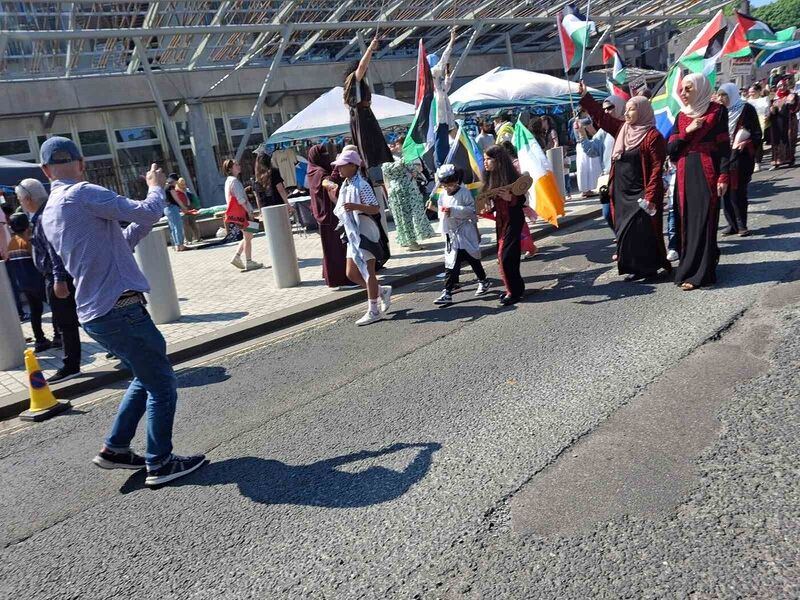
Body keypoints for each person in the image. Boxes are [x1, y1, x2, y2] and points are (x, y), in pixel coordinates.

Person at [38, 137, 205, 486]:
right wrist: (156, 188)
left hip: (95, 313)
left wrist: (148, 214)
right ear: (82, 163)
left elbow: (120, 243)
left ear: (44, 170)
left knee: (144, 377)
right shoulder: (84, 192)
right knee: (161, 383)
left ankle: (115, 448)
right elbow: (147, 211)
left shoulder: (50, 211)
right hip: (121, 307)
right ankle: (159, 463)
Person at [579, 86, 670, 281]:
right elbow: (602, 119)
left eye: (632, 109)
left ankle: (649, 268)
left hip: (641, 190)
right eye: (626, 109)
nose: (627, 113)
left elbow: (656, 168)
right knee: (624, 231)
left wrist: (652, 195)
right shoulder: (622, 129)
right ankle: (634, 267)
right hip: (621, 191)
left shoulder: (653, 136)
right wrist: (586, 98)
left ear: (643, 111)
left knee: (642, 230)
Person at [667, 73, 730, 291]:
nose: (683, 94)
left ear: (700, 89)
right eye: (682, 89)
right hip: (685, 173)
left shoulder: (717, 111)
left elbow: (724, 147)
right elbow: (672, 149)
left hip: (707, 170)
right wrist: (688, 131)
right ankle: (688, 268)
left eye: (688, 89)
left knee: (706, 219)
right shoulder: (681, 116)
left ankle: (703, 272)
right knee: (686, 221)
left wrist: (724, 175)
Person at [17, 178, 83, 383]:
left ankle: (71, 366)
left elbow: (54, 251)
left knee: (67, 322)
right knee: (74, 319)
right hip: (58, 276)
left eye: (20, 199)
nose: (19, 203)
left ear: (28, 199)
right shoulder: (45, 213)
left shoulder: (43, 218)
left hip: (56, 278)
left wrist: (58, 278)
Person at [331, 148, 392, 326]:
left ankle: (373, 310)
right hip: (353, 231)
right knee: (351, 273)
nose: (339, 169)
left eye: (342, 166)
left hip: (364, 229)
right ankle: (381, 291)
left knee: (368, 271)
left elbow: (374, 208)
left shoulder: (362, 185)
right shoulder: (346, 184)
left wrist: (356, 206)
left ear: (352, 166)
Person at [432, 164, 491, 305]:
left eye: (451, 185)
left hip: (465, 231)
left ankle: (483, 280)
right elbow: (442, 212)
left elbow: (471, 211)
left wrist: (453, 210)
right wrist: (436, 209)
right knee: (451, 264)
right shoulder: (442, 195)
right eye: (445, 186)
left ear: (456, 181)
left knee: (473, 259)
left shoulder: (464, 192)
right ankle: (447, 293)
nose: (448, 188)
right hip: (452, 235)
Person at [482, 145, 525, 305]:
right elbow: (488, 203)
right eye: (485, 159)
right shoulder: (491, 178)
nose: (485, 163)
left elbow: (522, 200)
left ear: (498, 161)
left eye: (488, 159)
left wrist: (511, 198)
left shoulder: (512, 177)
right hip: (501, 221)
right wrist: (488, 207)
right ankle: (515, 289)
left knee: (506, 256)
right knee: (506, 257)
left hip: (514, 219)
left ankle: (513, 292)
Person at [717, 83, 762, 237]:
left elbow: (757, 134)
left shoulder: (746, 109)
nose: (721, 98)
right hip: (723, 156)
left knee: (738, 191)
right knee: (725, 191)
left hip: (740, 157)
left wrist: (746, 143)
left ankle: (742, 224)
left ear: (732, 95)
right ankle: (732, 224)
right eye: (720, 95)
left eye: (724, 95)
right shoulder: (719, 112)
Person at [576, 95, 626, 233]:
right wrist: (582, 134)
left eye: (610, 107)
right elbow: (592, 150)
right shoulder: (604, 131)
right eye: (604, 109)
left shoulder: (629, 127)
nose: (607, 111)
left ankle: (624, 242)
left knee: (625, 214)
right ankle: (620, 237)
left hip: (625, 178)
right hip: (608, 179)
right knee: (607, 213)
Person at [343, 38, 394, 171]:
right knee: (370, 146)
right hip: (363, 118)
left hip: (360, 117)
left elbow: (347, 105)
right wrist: (370, 49)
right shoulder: (354, 79)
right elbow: (362, 66)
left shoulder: (349, 87)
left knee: (370, 146)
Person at [5, 213, 53, 352]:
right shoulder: (28, 242)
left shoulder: (11, 243)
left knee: (35, 311)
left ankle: (40, 339)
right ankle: (58, 336)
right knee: (55, 307)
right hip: (38, 282)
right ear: (27, 225)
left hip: (24, 285)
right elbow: (38, 262)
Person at [306, 144, 351, 288]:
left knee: (331, 248)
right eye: (322, 154)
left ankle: (332, 277)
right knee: (337, 248)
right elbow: (328, 183)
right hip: (330, 217)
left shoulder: (312, 170)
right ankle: (341, 278)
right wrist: (337, 171)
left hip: (324, 216)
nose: (326, 156)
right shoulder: (319, 172)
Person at [381, 152, 435, 252]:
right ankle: (412, 242)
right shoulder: (404, 160)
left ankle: (405, 240)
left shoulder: (384, 165)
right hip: (408, 189)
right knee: (413, 215)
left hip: (394, 190)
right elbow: (415, 171)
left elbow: (386, 180)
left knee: (401, 216)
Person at [223, 158, 263, 272]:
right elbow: (241, 200)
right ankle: (249, 261)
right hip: (243, 212)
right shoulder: (235, 182)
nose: (239, 166)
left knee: (249, 236)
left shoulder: (229, 181)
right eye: (236, 165)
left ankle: (237, 257)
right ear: (230, 169)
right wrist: (249, 212)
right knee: (248, 236)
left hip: (237, 214)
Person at [430, 29, 458, 167]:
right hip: (439, 114)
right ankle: (441, 165)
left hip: (445, 114)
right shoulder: (432, 73)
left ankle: (444, 162)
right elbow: (443, 61)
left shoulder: (438, 82)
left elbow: (446, 88)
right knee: (441, 141)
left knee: (445, 140)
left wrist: (448, 74)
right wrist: (451, 41)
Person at [250, 149, 294, 214]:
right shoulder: (274, 172)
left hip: (265, 209)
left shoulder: (255, 178)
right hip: (278, 205)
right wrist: (287, 204)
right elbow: (280, 189)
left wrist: (260, 211)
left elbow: (257, 197)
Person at [572, 106, 602, 197]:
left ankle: (584, 189)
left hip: (579, 145)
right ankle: (593, 187)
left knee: (582, 168)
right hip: (588, 143)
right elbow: (593, 132)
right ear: (584, 111)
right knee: (592, 166)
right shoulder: (586, 121)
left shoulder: (574, 122)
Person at [769, 79, 798, 169]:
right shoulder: (774, 97)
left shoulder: (792, 95)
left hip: (789, 121)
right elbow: (770, 110)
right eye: (780, 86)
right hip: (777, 122)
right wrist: (771, 109)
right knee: (777, 140)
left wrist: (792, 103)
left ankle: (790, 159)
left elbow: (796, 107)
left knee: (789, 139)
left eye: (784, 85)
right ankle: (777, 161)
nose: (783, 87)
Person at [747, 84, 769, 172]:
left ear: (758, 91)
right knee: (750, 143)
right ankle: (751, 162)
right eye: (750, 92)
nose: (751, 94)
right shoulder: (747, 101)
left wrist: (767, 116)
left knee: (758, 142)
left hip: (761, 121)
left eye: (753, 92)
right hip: (750, 122)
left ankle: (758, 163)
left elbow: (767, 111)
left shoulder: (764, 99)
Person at [174, 176, 202, 244]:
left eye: (184, 184)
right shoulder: (176, 191)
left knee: (192, 223)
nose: (183, 186)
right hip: (183, 208)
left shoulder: (186, 190)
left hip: (189, 206)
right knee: (186, 224)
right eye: (182, 184)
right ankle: (188, 239)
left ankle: (197, 237)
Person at [163, 174, 187, 252]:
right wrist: (183, 207)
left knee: (173, 227)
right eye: (176, 182)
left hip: (166, 208)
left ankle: (177, 245)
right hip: (172, 208)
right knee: (178, 226)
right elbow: (176, 198)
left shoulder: (164, 187)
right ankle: (181, 245)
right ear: (174, 180)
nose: (176, 184)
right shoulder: (171, 187)